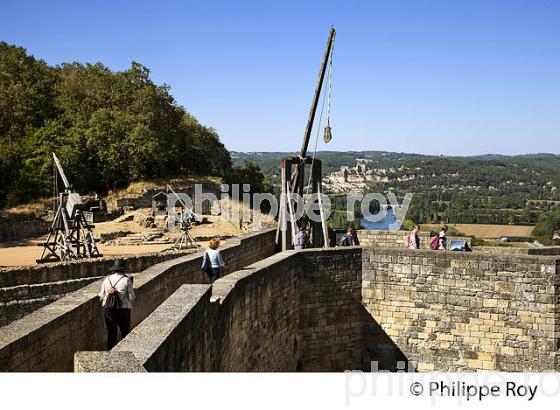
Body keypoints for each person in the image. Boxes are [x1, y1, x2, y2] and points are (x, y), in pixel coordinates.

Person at [98, 259, 135, 350]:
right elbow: (131, 297)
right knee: (125, 333)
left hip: (109, 309)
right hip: (123, 309)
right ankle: (126, 352)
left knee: (111, 334)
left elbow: (101, 296)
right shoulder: (126, 280)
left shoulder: (107, 279)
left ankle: (111, 352)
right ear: (122, 269)